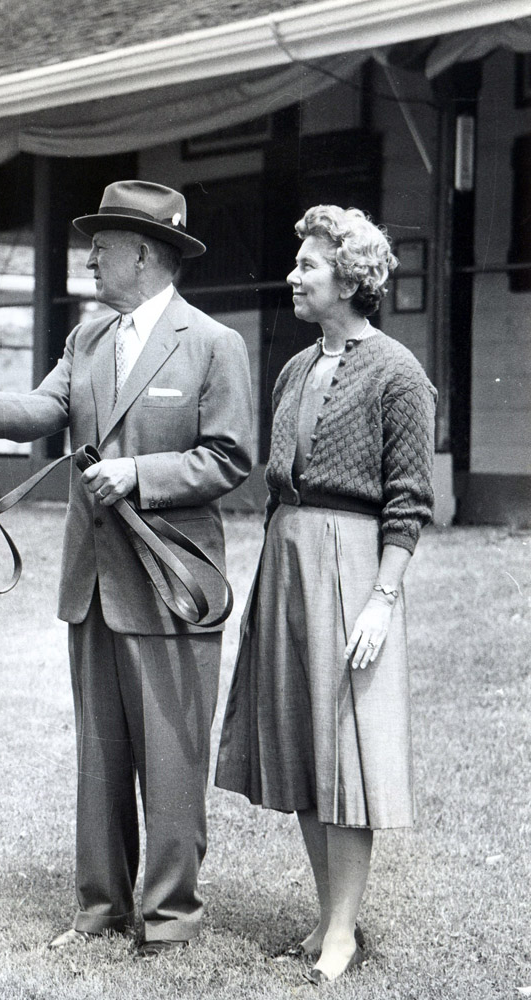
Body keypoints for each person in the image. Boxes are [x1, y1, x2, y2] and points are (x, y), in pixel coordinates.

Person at [0, 180, 254, 956]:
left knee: (171, 762)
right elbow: (44, 408)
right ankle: (100, 913)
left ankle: (170, 923)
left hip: (169, 583)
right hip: (92, 585)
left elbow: (230, 458)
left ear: (145, 254)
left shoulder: (212, 345)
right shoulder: (87, 340)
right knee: (100, 762)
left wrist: (139, 474)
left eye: (102, 245)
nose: (90, 256)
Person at [214, 206, 436, 984]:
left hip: (352, 568)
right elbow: (280, 485)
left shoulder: (398, 374)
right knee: (304, 747)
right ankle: (327, 918)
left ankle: (344, 931)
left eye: (308, 265)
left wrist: (381, 597)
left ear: (350, 277)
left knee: (346, 749)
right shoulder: (293, 368)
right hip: (289, 560)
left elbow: (410, 502)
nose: (294, 275)